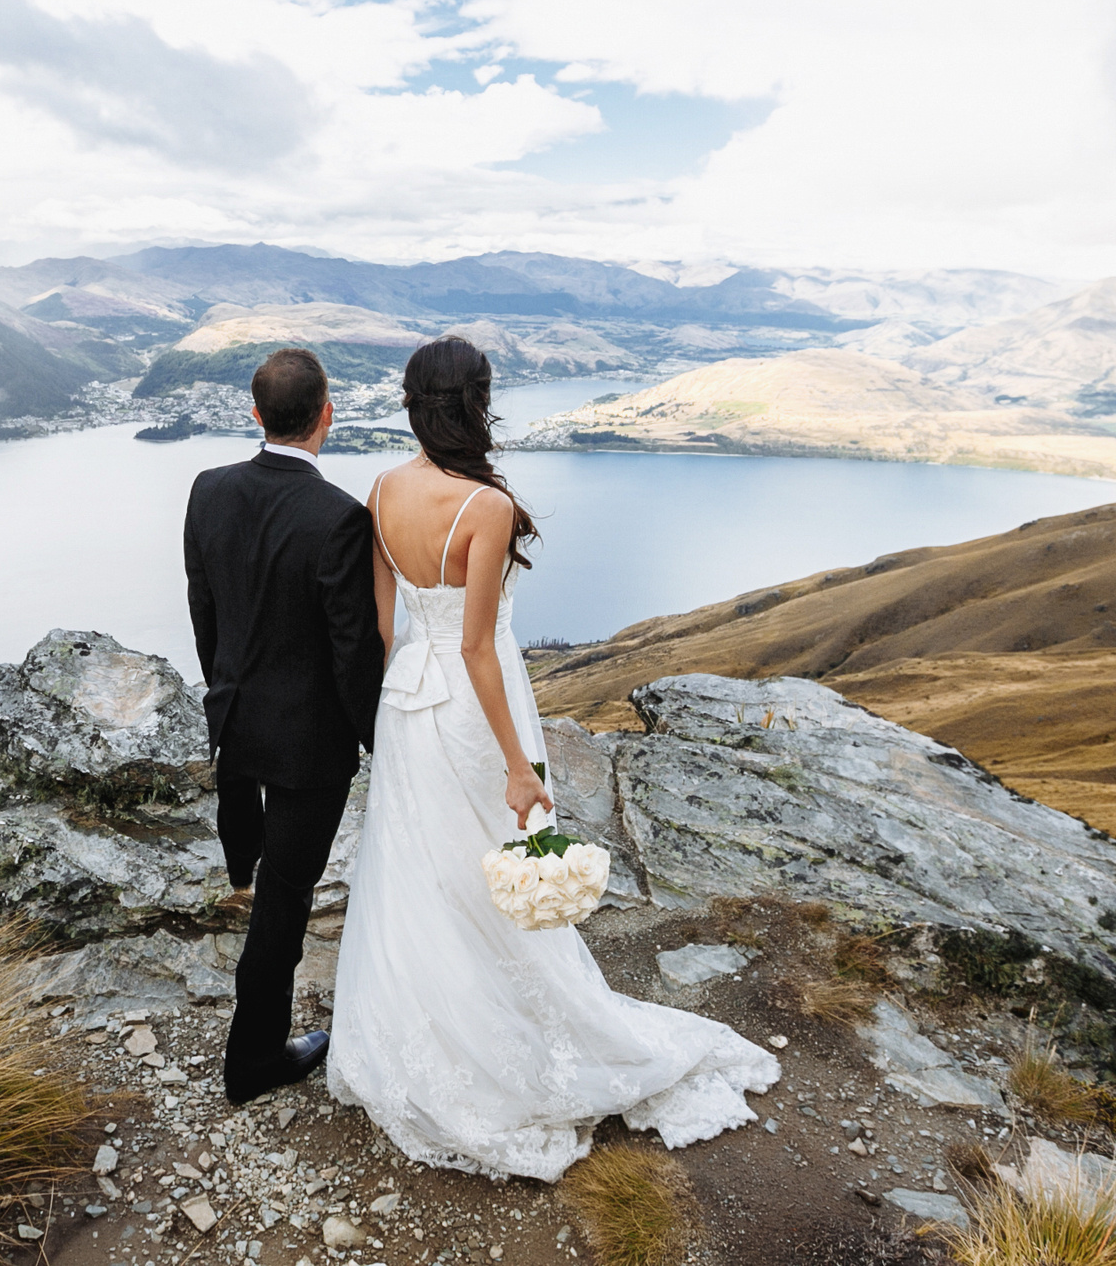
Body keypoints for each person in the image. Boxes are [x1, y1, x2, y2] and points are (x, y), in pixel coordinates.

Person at [326, 336, 779, 1179]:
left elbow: (385, 630)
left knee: (421, 875)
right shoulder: (485, 508)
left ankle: (419, 1036)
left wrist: (379, 720)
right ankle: (511, 1041)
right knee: (495, 873)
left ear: (413, 404)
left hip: (403, 707)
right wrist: (518, 763)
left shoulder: (383, 488)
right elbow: (476, 650)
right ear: (477, 401)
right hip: (469, 713)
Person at [183, 347, 385, 1105]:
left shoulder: (207, 490)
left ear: (255, 412)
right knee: (285, 897)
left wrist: (223, 692)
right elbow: (352, 652)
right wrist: (377, 741)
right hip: (308, 746)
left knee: (257, 871)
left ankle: (241, 873)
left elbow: (205, 612)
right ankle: (255, 1058)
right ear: (327, 415)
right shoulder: (338, 516)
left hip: (236, 723)